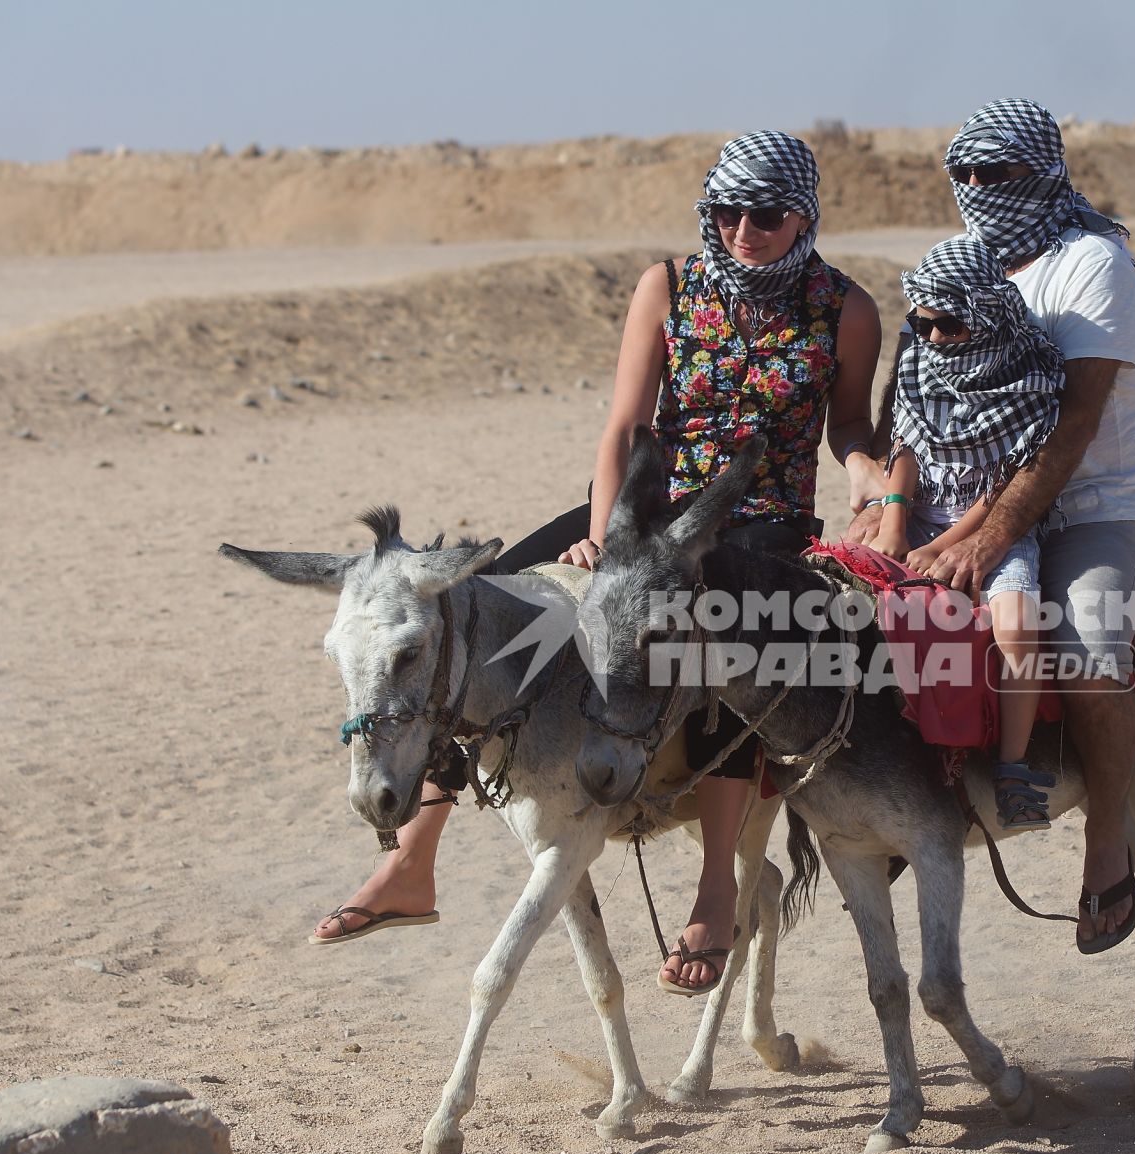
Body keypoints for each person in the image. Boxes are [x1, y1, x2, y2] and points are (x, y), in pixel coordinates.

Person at [315, 132, 885, 999]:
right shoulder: (668, 286)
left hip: (757, 525)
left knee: (724, 650)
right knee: (477, 619)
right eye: (724, 211)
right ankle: (413, 861)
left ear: (805, 212)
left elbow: (848, 427)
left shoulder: (846, 310)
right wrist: (601, 531)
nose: (742, 230)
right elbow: (626, 423)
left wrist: (872, 483)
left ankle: (716, 889)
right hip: (638, 509)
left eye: (764, 214)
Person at [856, 98, 1135, 954]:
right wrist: (887, 506)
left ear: (1046, 170)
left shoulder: (1092, 265)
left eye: (1001, 171)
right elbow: (906, 393)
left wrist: (986, 543)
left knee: (1092, 656)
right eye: (967, 173)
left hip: (1094, 503)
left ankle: (1106, 845)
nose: (982, 188)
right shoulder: (963, 264)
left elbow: (1075, 423)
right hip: (952, 500)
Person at [868, 235, 1064, 831]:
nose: (931, 337)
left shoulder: (1033, 374)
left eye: (947, 324)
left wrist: (945, 547)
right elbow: (905, 446)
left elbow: (1007, 485)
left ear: (983, 314)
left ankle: (1011, 770)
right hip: (917, 512)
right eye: (920, 322)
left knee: (1018, 626)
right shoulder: (918, 362)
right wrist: (897, 524)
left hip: (992, 527)